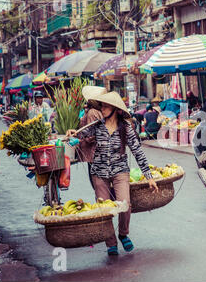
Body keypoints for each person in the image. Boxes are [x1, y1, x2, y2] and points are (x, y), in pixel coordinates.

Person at [66, 91, 159, 256]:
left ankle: (123, 233)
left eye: (106, 105)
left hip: (120, 171)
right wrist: (73, 133)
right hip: (99, 172)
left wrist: (149, 176)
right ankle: (111, 242)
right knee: (104, 209)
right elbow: (81, 134)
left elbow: (138, 151)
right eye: (101, 105)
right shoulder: (96, 125)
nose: (103, 108)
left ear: (115, 108)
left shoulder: (126, 128)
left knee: (125, 204)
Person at [77, 86, 106, 188]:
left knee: (97, 185)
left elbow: (91, 135)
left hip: (93, 153)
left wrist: (80, 138)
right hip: (97, 152)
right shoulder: (97, 111)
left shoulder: (92, 112)